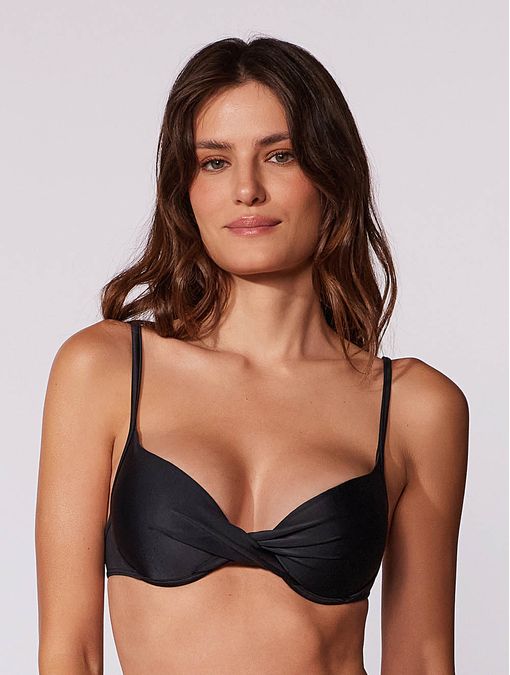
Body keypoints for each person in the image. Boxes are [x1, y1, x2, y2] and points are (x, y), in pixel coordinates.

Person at [35, 36, 469, 675]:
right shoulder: (103, 370)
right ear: (185, 189)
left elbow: (423, 658)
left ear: (332, 175)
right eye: (214, 162)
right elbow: (68, 652)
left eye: (280, 156)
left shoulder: (415, 407)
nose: (246, 190)